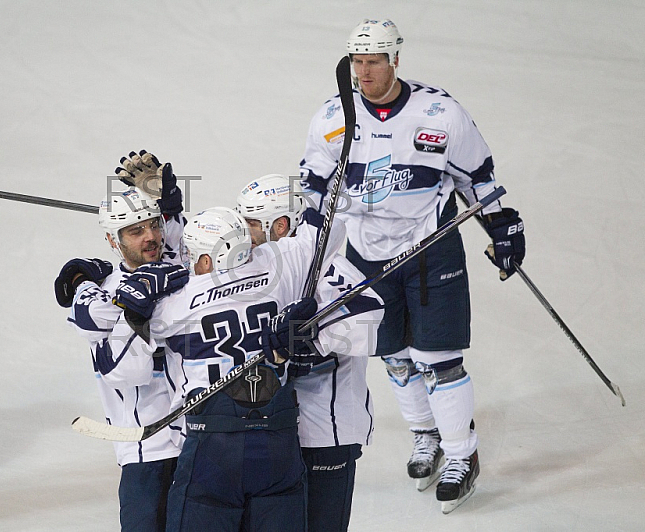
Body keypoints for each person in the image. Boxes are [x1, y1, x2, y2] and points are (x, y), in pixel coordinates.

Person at [299, 19, 526, 514]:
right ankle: (428, 437)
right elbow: (314, 194)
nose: (364, 72)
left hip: (429, 245)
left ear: (395, 59)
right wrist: (303, 259)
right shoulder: (331, 119)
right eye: (357, 62)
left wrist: (503, 227)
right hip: (364, 253)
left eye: (374, 61)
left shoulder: (440, 113)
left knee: (438, 359)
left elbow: (478, 178)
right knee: (395, 357)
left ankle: (462, 455)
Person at [113, 206, 347, 531]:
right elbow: (329, 231)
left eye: (192, 256)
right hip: (279, 439)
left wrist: (132, 309)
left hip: (212, 446)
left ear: (206, 261)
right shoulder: (280, 266)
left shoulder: (175, 301)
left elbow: (121, 369)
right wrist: (305, 205)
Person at [235, 174, 384, 532]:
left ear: (281, 226)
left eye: (251, 224)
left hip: (325, 432)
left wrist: (309, 345)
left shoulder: (323, 264)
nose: (243, 234)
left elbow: (368, 313)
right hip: (279, 429)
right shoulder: (256, 266)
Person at [54, 151, 189, 532]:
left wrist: (172, 211)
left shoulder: (180, 270)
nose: (150, 237)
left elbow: (197, 251)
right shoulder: (105, 290)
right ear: (113, 240)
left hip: (198, 441)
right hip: (146, 449)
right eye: (135, 231)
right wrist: (85, 281)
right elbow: (91, 318)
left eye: (153, 225)